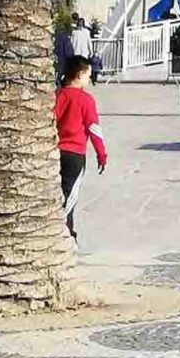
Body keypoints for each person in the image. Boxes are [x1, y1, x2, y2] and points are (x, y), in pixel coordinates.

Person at [55, 54, 107, 241]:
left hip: (56, 152)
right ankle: (67, 233)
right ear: (79, 75)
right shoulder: (86, 100)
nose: (89, 80)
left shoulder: (57, 96)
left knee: (58, 191)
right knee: (70, 196)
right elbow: (93, 129)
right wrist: (102, 154)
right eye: (88, 75)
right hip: (75, 154)